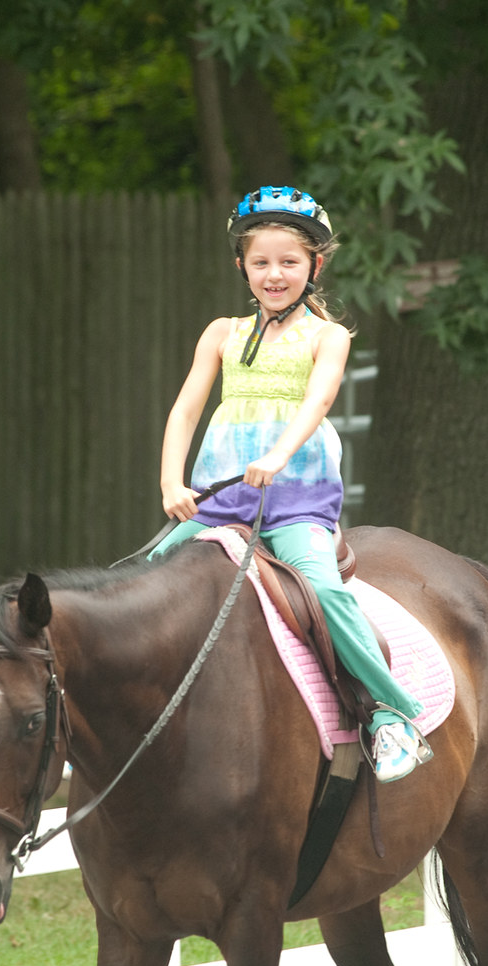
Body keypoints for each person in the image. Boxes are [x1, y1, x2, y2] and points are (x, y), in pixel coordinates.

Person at [150, 185, 432, 783]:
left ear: (314, 266)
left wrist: (279, 453)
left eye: (289, 262)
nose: (274, 274)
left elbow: (319, 398)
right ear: (241, 267)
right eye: (261, 262)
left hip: (296, 496)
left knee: (324, 590)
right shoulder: (222, 332)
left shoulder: (328, 337)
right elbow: (184, 411)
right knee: (145, 577)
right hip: (221, 499)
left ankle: (391, 713)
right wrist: (172, 482)